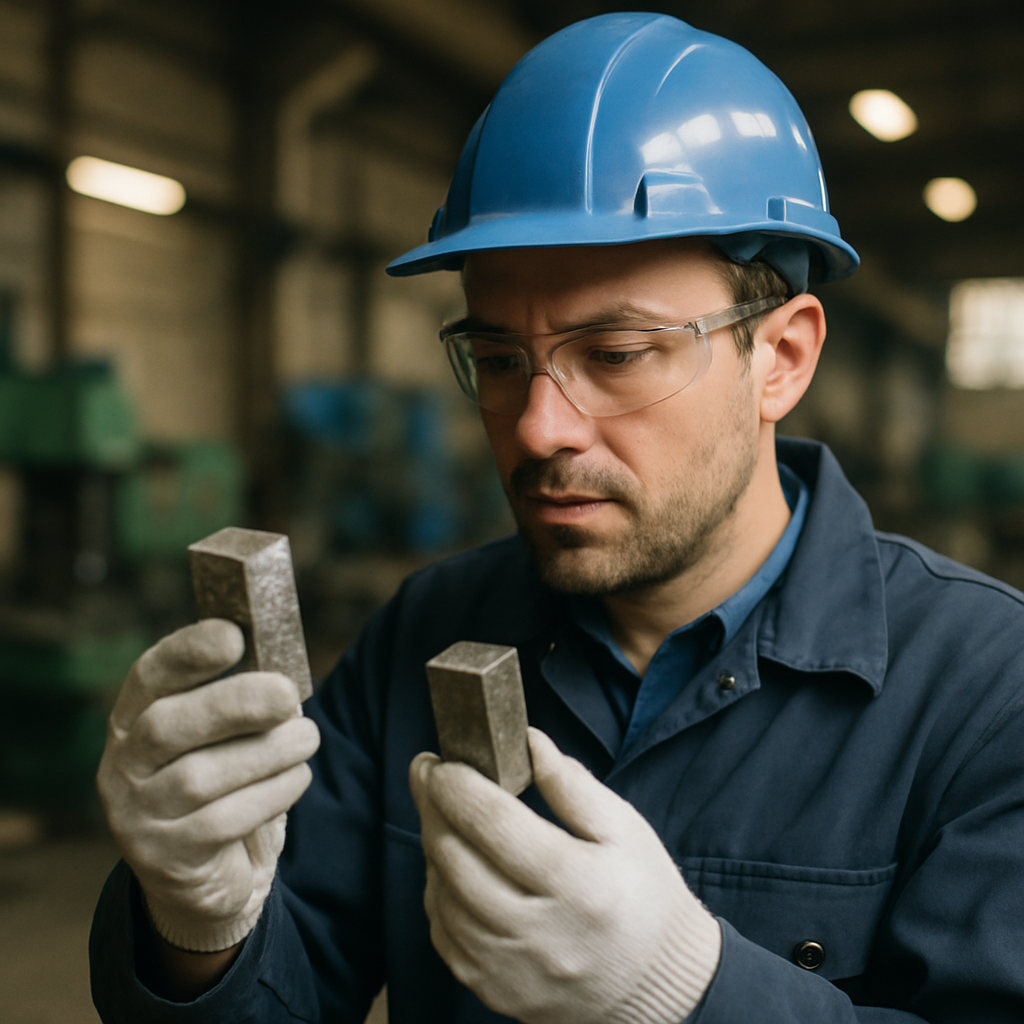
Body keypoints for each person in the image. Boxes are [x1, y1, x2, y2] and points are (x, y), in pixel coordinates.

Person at [90, 13, 1024, 1024]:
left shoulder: (987, 693)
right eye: (498, 360)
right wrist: (196, 924)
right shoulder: (422, 633)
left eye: (616, 353)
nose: (538, 427)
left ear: (783, 358)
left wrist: (690, 994)